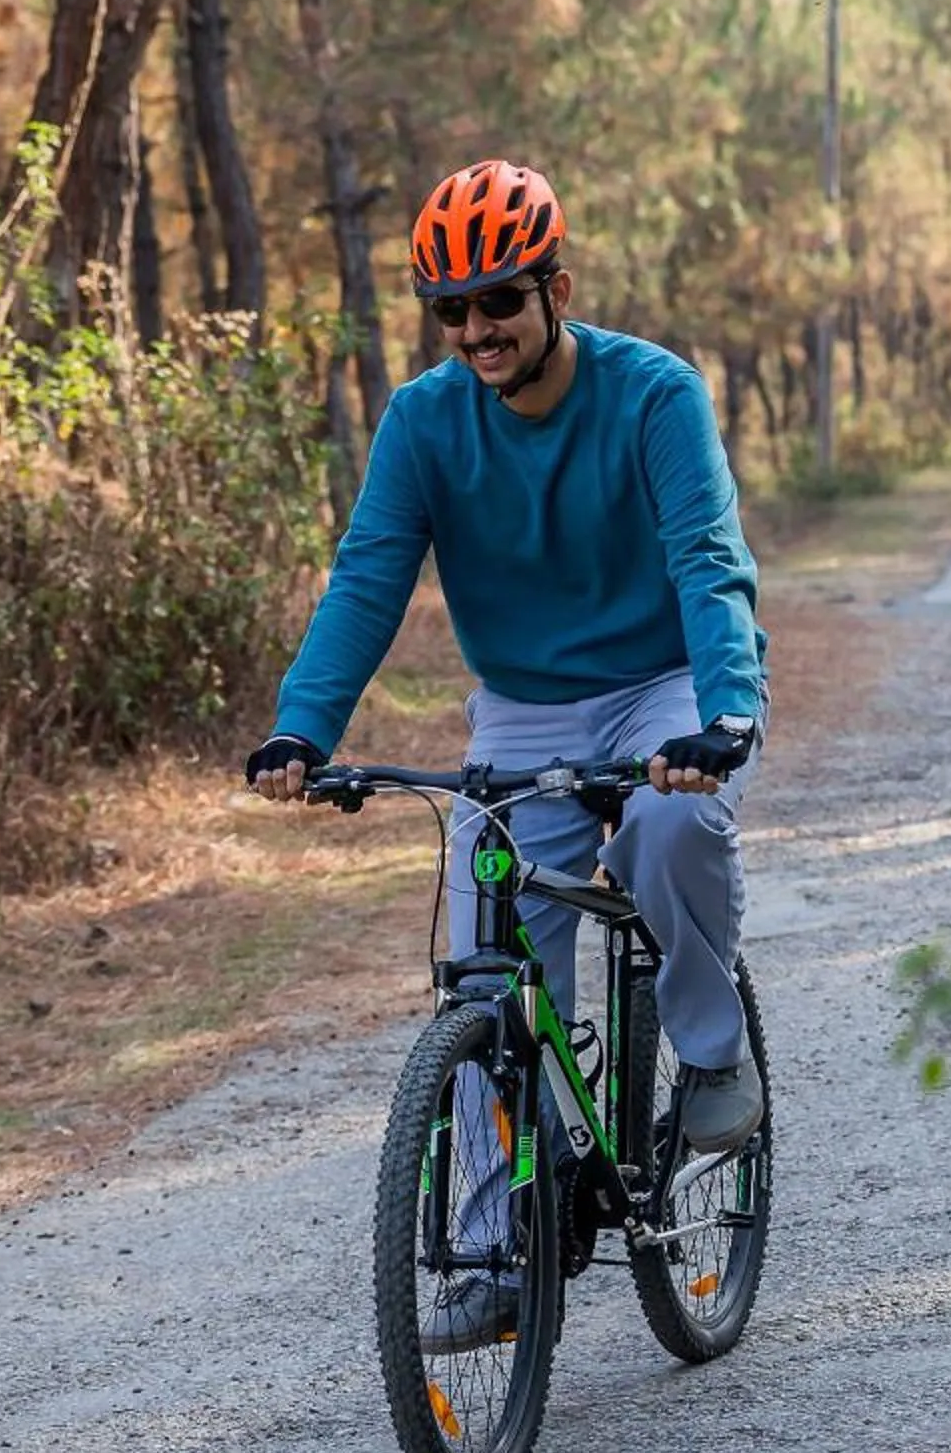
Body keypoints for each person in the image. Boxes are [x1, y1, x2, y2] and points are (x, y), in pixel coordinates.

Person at [246, 158, 768, 1352]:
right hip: (525, 704)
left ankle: (710, 1049)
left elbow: (707, 557)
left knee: (672, 827)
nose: (476, 328)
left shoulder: (654, 396)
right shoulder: (426, 421)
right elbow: (370, 573)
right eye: (452, 309)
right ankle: (491, 1249)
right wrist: (302, 728)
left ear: (555, 289)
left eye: (498, 301)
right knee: (489, 959)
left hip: (664, 683)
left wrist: (723, 713)